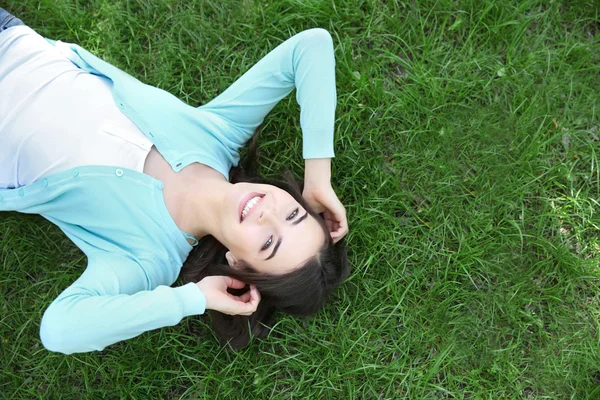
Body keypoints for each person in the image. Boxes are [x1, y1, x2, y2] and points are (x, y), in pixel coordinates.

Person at [0, 8, 350, 354]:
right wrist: (318, 176)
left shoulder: (147, 257)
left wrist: (190, 299)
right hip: (11, 40)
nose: (268, 214)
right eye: (293, 215)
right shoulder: (219, 134)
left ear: (239, 265)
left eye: (269, 242)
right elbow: (311, 46)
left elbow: (60, 329)